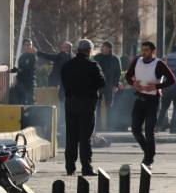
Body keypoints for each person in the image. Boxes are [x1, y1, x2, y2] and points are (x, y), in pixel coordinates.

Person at [125, 41, 176, 167]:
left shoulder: (159, 64)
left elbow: (172, 79)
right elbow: (128, 76)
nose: (144, 52)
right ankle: (148, 152)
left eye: (147, 50)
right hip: (139, 99)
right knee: (135, 129)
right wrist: (133, 83)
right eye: (143, 50)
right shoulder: (137, 60)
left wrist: (156, 86)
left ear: (153, 51)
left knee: (149, 131)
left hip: (153, 100)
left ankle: (148, 159)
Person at [60, 40, 105, 176]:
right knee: (85, 137)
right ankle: (86, 167)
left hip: (71, 103)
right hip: (87, 104)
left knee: (71, 136)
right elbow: (102, 82)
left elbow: (63, 82)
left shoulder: (67, 65)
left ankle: (70, 167)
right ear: (89, 51)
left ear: (78, 50)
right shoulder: (92, 65)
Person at [38, 41, 74, 134]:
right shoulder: (69, 57)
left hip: (65, 87)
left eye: (64, 47)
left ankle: (63, 127)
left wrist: (38, 53)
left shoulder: (64, 56)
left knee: (63, 107)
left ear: (67, 48)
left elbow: (50, 57)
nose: (62, 48)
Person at [93, 41, 122, 131]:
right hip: (98, 85)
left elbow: (118, 73)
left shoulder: (115, 59)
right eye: (102, 47)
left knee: (109, 106)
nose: (102, 48)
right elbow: (92, 70)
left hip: (110, 85)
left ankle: (109, 126)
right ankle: (97, 126)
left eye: (104, 47)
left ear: (109, 48)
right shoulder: (97, 57)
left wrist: (115, 85)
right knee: (97, 106)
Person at [12, 39, 37, 105]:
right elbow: (20, 69)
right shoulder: (21, 57)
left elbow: (25, 69)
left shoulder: (32, 56)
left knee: (30, 101)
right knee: (21, 102)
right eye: (27, 45)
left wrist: (12, 70)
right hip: (21, 83)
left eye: (30, 45)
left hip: (29, 83)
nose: (29, 46)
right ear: (23, 46)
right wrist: (15, 77)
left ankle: (32, 115)